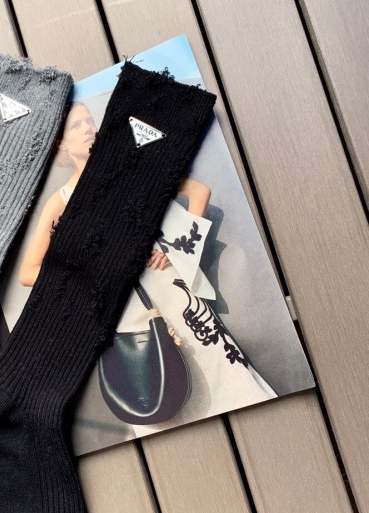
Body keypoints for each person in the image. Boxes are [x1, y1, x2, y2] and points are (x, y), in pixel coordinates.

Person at [19, 100, 276, 425]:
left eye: (90, 121)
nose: (88, 129)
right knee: (160, 392)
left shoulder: (130, 167)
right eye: (76, 126)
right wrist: (95, 272)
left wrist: (177, 247)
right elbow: (28, 273)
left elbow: (198, 192)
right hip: (129, 311)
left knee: (225, 377)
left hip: (172, 291)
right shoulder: (59, 203)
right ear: (60, 143)